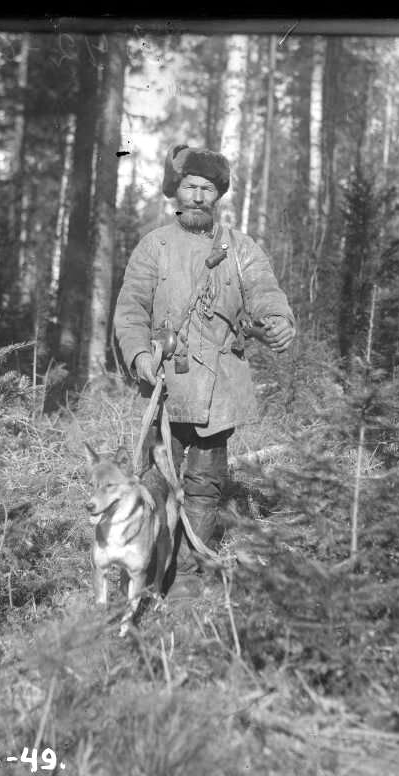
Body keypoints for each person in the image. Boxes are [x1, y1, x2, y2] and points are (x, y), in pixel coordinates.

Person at [114, 144, 295, 597]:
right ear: (175, 191)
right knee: (158, 483)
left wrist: (277, 320)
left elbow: (265, 291)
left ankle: (189, 579)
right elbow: (130, 310)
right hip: (166, 386)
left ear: (218, 196)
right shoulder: (153, 246)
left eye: (207, 189)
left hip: (220, 388)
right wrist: (139, 357)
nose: (197, 196)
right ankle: (150, 574)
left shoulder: (240, 248)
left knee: (205, 484)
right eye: (190, 186)